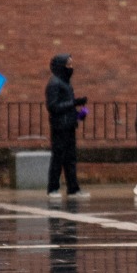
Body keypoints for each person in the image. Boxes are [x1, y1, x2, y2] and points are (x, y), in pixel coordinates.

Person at [46, 54, 89, 197]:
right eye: (68, 64)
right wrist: (73, 103)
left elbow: (66, 106)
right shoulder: (54, 83)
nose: (71, 67)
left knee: (70, 158)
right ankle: (53, 188)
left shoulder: (66, 84)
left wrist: (78, 114)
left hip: (69, 124)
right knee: (58, 157)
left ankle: (73, 188)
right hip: (59, 126)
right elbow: (53, 106)